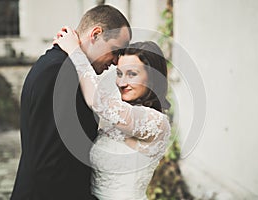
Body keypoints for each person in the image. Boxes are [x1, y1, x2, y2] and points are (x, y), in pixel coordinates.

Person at [10, 5, 131, 200]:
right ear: (96, 34)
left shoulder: (65, 68)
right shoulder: (59, 73)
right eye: (116, 50)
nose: (117, 61)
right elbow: (49, 164)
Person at [53, 27, 171, 200]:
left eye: (132, 74)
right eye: (119, 73)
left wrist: (75, 52)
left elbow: (97, 101)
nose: (122, 82)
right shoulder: (118, 117)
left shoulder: (157, 123)